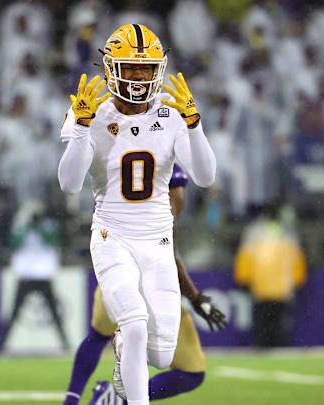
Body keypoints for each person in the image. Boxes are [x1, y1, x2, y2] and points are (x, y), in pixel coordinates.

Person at [58, 24, 216, 405]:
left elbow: (206, 176)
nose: (140, 76)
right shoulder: (92, 111)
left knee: (161, 354)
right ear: (112, 68)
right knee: (133, 321)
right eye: (130, 67)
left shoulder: (171, 110)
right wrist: (80, 129)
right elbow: (69, 183)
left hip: (158, 242)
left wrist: (194, 126)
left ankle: (116, 376)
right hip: (113, 237)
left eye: (146, 69)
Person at [63, 165, 227, 405]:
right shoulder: (171, 180)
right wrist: (194, 297)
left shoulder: (115, 160)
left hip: (115, 275)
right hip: (151, 283)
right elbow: (167, 251)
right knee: (192, 372)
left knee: (98, 336)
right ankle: (119, 397)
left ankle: (72, 400)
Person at [0, 201, 70, 351]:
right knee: (13, 313)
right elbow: (13, 243)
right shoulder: (20, 226)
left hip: (43, 276)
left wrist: (37, 226)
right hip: (25, 276)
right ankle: (1, 345)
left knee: (54, 314)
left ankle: (65, 344)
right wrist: (26, 226)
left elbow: (52, 239)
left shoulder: (49, 225)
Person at [234, 210, 307, 347]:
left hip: (260, 287)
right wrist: (297, 281)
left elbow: (244, 258)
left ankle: (262, 345)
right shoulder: (288, 233)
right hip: (282, 289)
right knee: (279, 323)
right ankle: (278, 346)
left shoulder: (253, 232)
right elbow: (297, 261)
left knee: (262, 323)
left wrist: (244, 280)